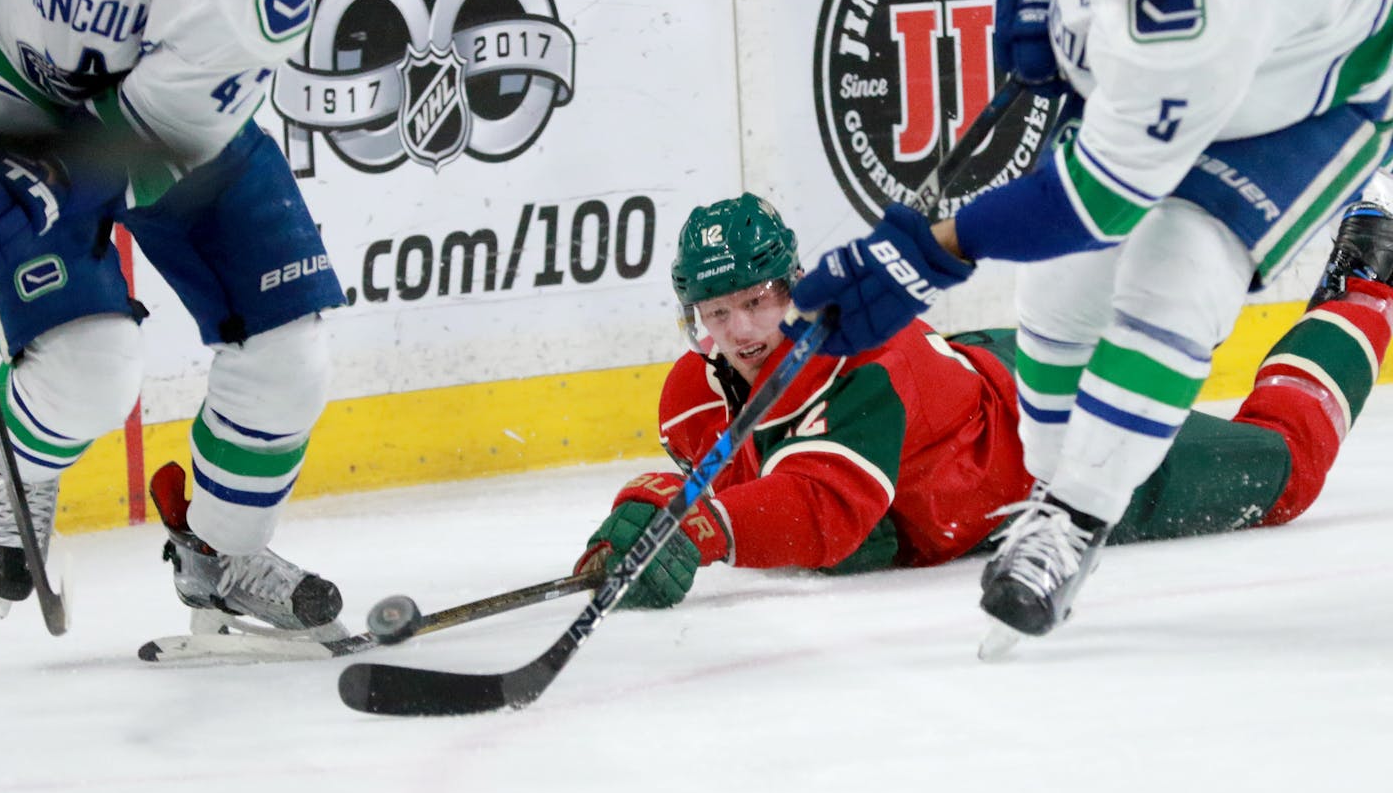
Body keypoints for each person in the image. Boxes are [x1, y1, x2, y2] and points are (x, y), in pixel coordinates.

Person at [783, 0, 1393, 647]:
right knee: (1059, 293)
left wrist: (932, 248)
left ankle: (1075, 519)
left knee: (1175, 275)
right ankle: (1053, 480)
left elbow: (1098, 204)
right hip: (1256, 23)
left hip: (1319, 91)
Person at [572, 194, 1393, 633]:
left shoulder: (860, 363)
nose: (740, 332)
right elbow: (833, 522)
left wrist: (698, 524)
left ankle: (1366, 285)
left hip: (1051, 446)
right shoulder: (691, 398)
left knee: (1285, 469)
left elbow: (826, 511)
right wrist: (662, 529)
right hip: (974, 388)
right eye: (715, 314)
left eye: (756, 302)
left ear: (792, 287)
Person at [0, 0, 346, 636]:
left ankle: (221, 554)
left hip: (161, 134)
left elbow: (137, 146)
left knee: (291, 359)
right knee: (90, 376)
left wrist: (14, 196)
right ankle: (20, 472)